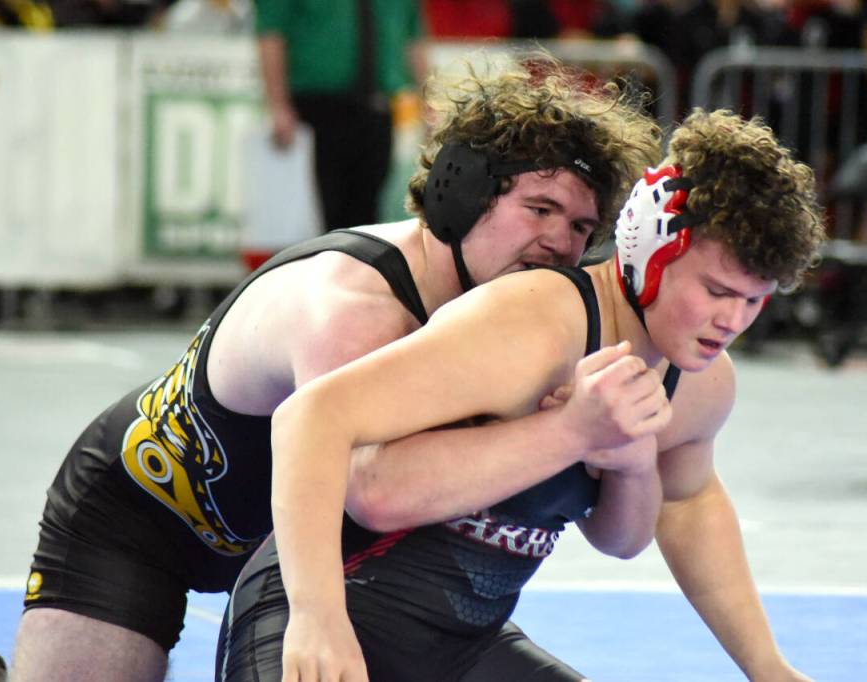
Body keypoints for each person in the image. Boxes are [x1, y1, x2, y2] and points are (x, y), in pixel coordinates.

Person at [9, 53, 665, 681]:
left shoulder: (525, 321)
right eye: (540, 209)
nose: (560, 243)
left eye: (582, 227)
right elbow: (369, 489)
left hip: (302, 547)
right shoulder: (355, 311)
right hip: (143, 522)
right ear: (461, 195)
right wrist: (563, 432)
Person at [217, 107, 826, 682]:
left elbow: (663, 518)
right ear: (653, 252)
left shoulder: (700, 383)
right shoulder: (535, 322)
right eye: (718, 290)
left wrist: (768, 667)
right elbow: (312, 418)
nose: (732, 320)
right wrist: (317, 617)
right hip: (336, 613)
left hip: (463, 646)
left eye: (753, 300)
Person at [256, 0, 427, 232]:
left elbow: (413, 37)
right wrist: (278, 105)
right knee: (322, 211)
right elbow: (271, 34)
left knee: (368, 213)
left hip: (378, 106)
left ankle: (359, 265)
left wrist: (428, 102)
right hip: (317, 105)